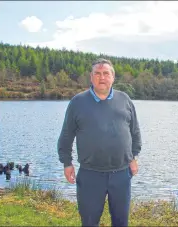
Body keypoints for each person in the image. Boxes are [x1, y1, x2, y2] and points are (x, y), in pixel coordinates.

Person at [57, 58, 142, 227]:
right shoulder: (77, 103)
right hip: (90, 174)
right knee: (89, 221)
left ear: (113, 77)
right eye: (97, 73)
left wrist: (134, 157)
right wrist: (67, 162)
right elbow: (66, 136)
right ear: (91, 77)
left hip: (121, 174)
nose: (101, 77)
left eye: (106, 73)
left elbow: (135, 132)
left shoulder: (124, 100)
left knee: (121, 221)